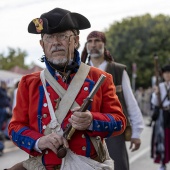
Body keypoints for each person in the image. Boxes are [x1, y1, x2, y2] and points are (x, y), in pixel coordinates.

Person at [7, 8, 126, 170]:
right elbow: (15, 128)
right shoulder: (28, 83)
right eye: (49, 38)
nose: (55, 42)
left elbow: (119, 122)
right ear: (42, 45)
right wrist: (39, 141)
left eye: (62, 36)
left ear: (76, 41)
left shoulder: (100, 78)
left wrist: (92, 120)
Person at [81, 31, 144, 170]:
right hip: (85, 130)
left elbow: (130, 101)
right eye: (89, 41)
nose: (93, 45)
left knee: (118, 166)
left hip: (113, 130)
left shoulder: (118, 70)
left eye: (97, 41)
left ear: (104, 45)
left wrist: (136, 132)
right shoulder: (80, 71)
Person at [151, 65, 170, 170]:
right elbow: (154, 102)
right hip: (163, 116)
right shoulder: (160, 86)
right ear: (163, 74)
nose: (167, 75)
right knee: (162, 138)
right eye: (166, 73)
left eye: (169, 72)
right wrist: (156, 93)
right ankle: (163, 162)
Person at [0, 81, 11, 156]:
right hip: (2, 110)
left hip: (4, 110)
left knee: (3, 127)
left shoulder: (4, 91)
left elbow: (8, 99)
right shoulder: (1, 91)